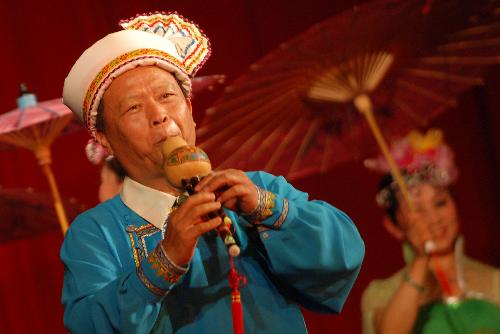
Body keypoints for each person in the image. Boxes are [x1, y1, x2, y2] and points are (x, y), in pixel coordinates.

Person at [60, 12, 365, 334]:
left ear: (190, 110)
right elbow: (90, 325)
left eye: (167, 97)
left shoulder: (254, 188)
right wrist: (166, 259)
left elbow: (343, 256)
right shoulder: (96, 233)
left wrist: (267, 208)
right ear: (105, 139)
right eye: (134, 107)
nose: (160, 115)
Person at [361, 129, 499, 334]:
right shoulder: (382, 294)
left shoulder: (494, 281)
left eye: (440, 203)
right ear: (394, 227)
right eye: (417, 210)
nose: (434, 218)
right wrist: (421, 260)